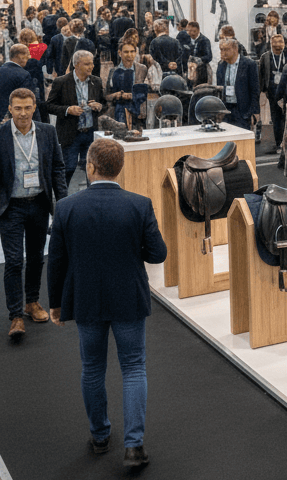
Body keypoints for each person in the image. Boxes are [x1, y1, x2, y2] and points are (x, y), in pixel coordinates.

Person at [47, 138, 167, 469]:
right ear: (120, 167)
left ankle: (100, 438)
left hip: (85, 299)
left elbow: (56, 261)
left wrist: (55, 304)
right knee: (133, 367)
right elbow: (158, 253)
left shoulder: (67, 207)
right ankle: (134, 446)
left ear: (90, 166)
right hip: (129, 297)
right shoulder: (139, 205)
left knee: (92, 368)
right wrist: (132, 254)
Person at [1, 87, 66, 340]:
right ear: (10, 108)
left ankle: (32, 302)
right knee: (15, 261)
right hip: (11, 207)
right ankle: (16, 315)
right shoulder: (2, 135)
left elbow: (58, 169)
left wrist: (62, 203)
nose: (23, 113)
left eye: (28, 107)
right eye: (18, 108)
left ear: (34, 107)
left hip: (39, 203)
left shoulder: (48, 132)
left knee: (38, 257)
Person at [44, 50, 107, 181]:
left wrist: (99, 106)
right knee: (68, 169)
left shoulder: (96, 81)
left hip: (90, 133)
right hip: (70, 134)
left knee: (93, 172)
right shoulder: (61, 82)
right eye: (87, 64)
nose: (91, 66)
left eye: (92, 63)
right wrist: (68, 109)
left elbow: (104, 104)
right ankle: (62, 199)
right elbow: (48, 106)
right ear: (76, 65)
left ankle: (91, 199)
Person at [215, 38, 260, 131]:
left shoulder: (249, 64)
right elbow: (219, 89)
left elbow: (255, 89)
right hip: (226, 110)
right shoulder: (221, 65)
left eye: (226, 49)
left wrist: (254, 111)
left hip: (243, 111)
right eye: (221, 49)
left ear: (235, 49)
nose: (223, 52)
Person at [258, 33, 287, 153]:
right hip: (272, 93)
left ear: (284, 43)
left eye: (280, 42)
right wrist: (263, 91)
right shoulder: (265, 57)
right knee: (276, 119)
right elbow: (261, 74)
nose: (278, 45)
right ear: (271, 44)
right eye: (275, 42)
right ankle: (278, 144)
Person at [105, 41, 149, 127]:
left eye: (132, 51)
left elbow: (146, 92)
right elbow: (107, 95)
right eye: (126, 52)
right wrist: (116, 95)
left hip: (138, 112)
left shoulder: (142, 69)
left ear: (136, 52)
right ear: (119, 53)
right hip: (118, 112)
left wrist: (131, 96)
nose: (129, 54)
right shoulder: (113, 71)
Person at [0, 44, 36, 114]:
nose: (29, 57)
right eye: (27, 54)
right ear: (20, 56)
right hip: (13, 116)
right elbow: (27, 99)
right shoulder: (24, 75)